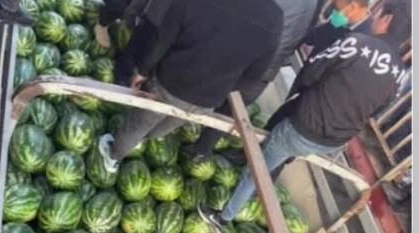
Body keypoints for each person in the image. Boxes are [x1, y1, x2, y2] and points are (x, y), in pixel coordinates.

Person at [198, 0, 412, 233]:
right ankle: (257, 183)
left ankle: (222, 219)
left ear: (387, 20)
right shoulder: (400, 75)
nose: (373, 16)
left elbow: (311, 73)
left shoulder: (357, 43)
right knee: (280, 154)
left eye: (378, 13)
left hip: (305, 126)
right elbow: (376, 111)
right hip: (334, 141)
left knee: (257, 170)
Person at [96, 0, 285, 173]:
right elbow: (254, 76)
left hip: (169, 83)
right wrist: (221, 87)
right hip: (206, 101)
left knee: (138, 124)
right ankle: (143, 139)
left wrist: (143, 71)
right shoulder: (275, 17)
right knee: (170, 123)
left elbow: (164, 40)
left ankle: (113, 155)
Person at [183, 0, 319, 163]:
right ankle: (202, 150)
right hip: (268, 67)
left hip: (248, 55)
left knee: (211, 86)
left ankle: (182, 122)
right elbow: (307, 34)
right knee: (231, 108)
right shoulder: (313, 3)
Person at [94, 0, 174, 86]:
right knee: (137, 54)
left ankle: (123, 79)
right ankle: (126, 79)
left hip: (158, 24)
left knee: (134, 54)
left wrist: (130, 16)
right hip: (159, 25)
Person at [300, 0, 372, 58]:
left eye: (337, 8)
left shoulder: (366, 43)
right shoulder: (338, 21)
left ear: (351, 8)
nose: (334, 12)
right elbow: (313, 36)